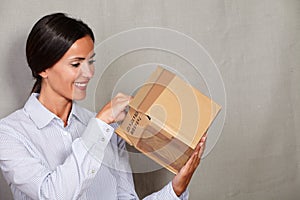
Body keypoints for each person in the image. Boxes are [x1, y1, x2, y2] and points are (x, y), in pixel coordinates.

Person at [0, 13, 207, 200]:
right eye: (76, 64)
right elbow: (52, 195)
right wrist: (100, 123)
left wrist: (176, 188)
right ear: (43, 69)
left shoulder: (108, 130)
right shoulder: (9, 134)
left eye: (91, 61)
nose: (89, 73)